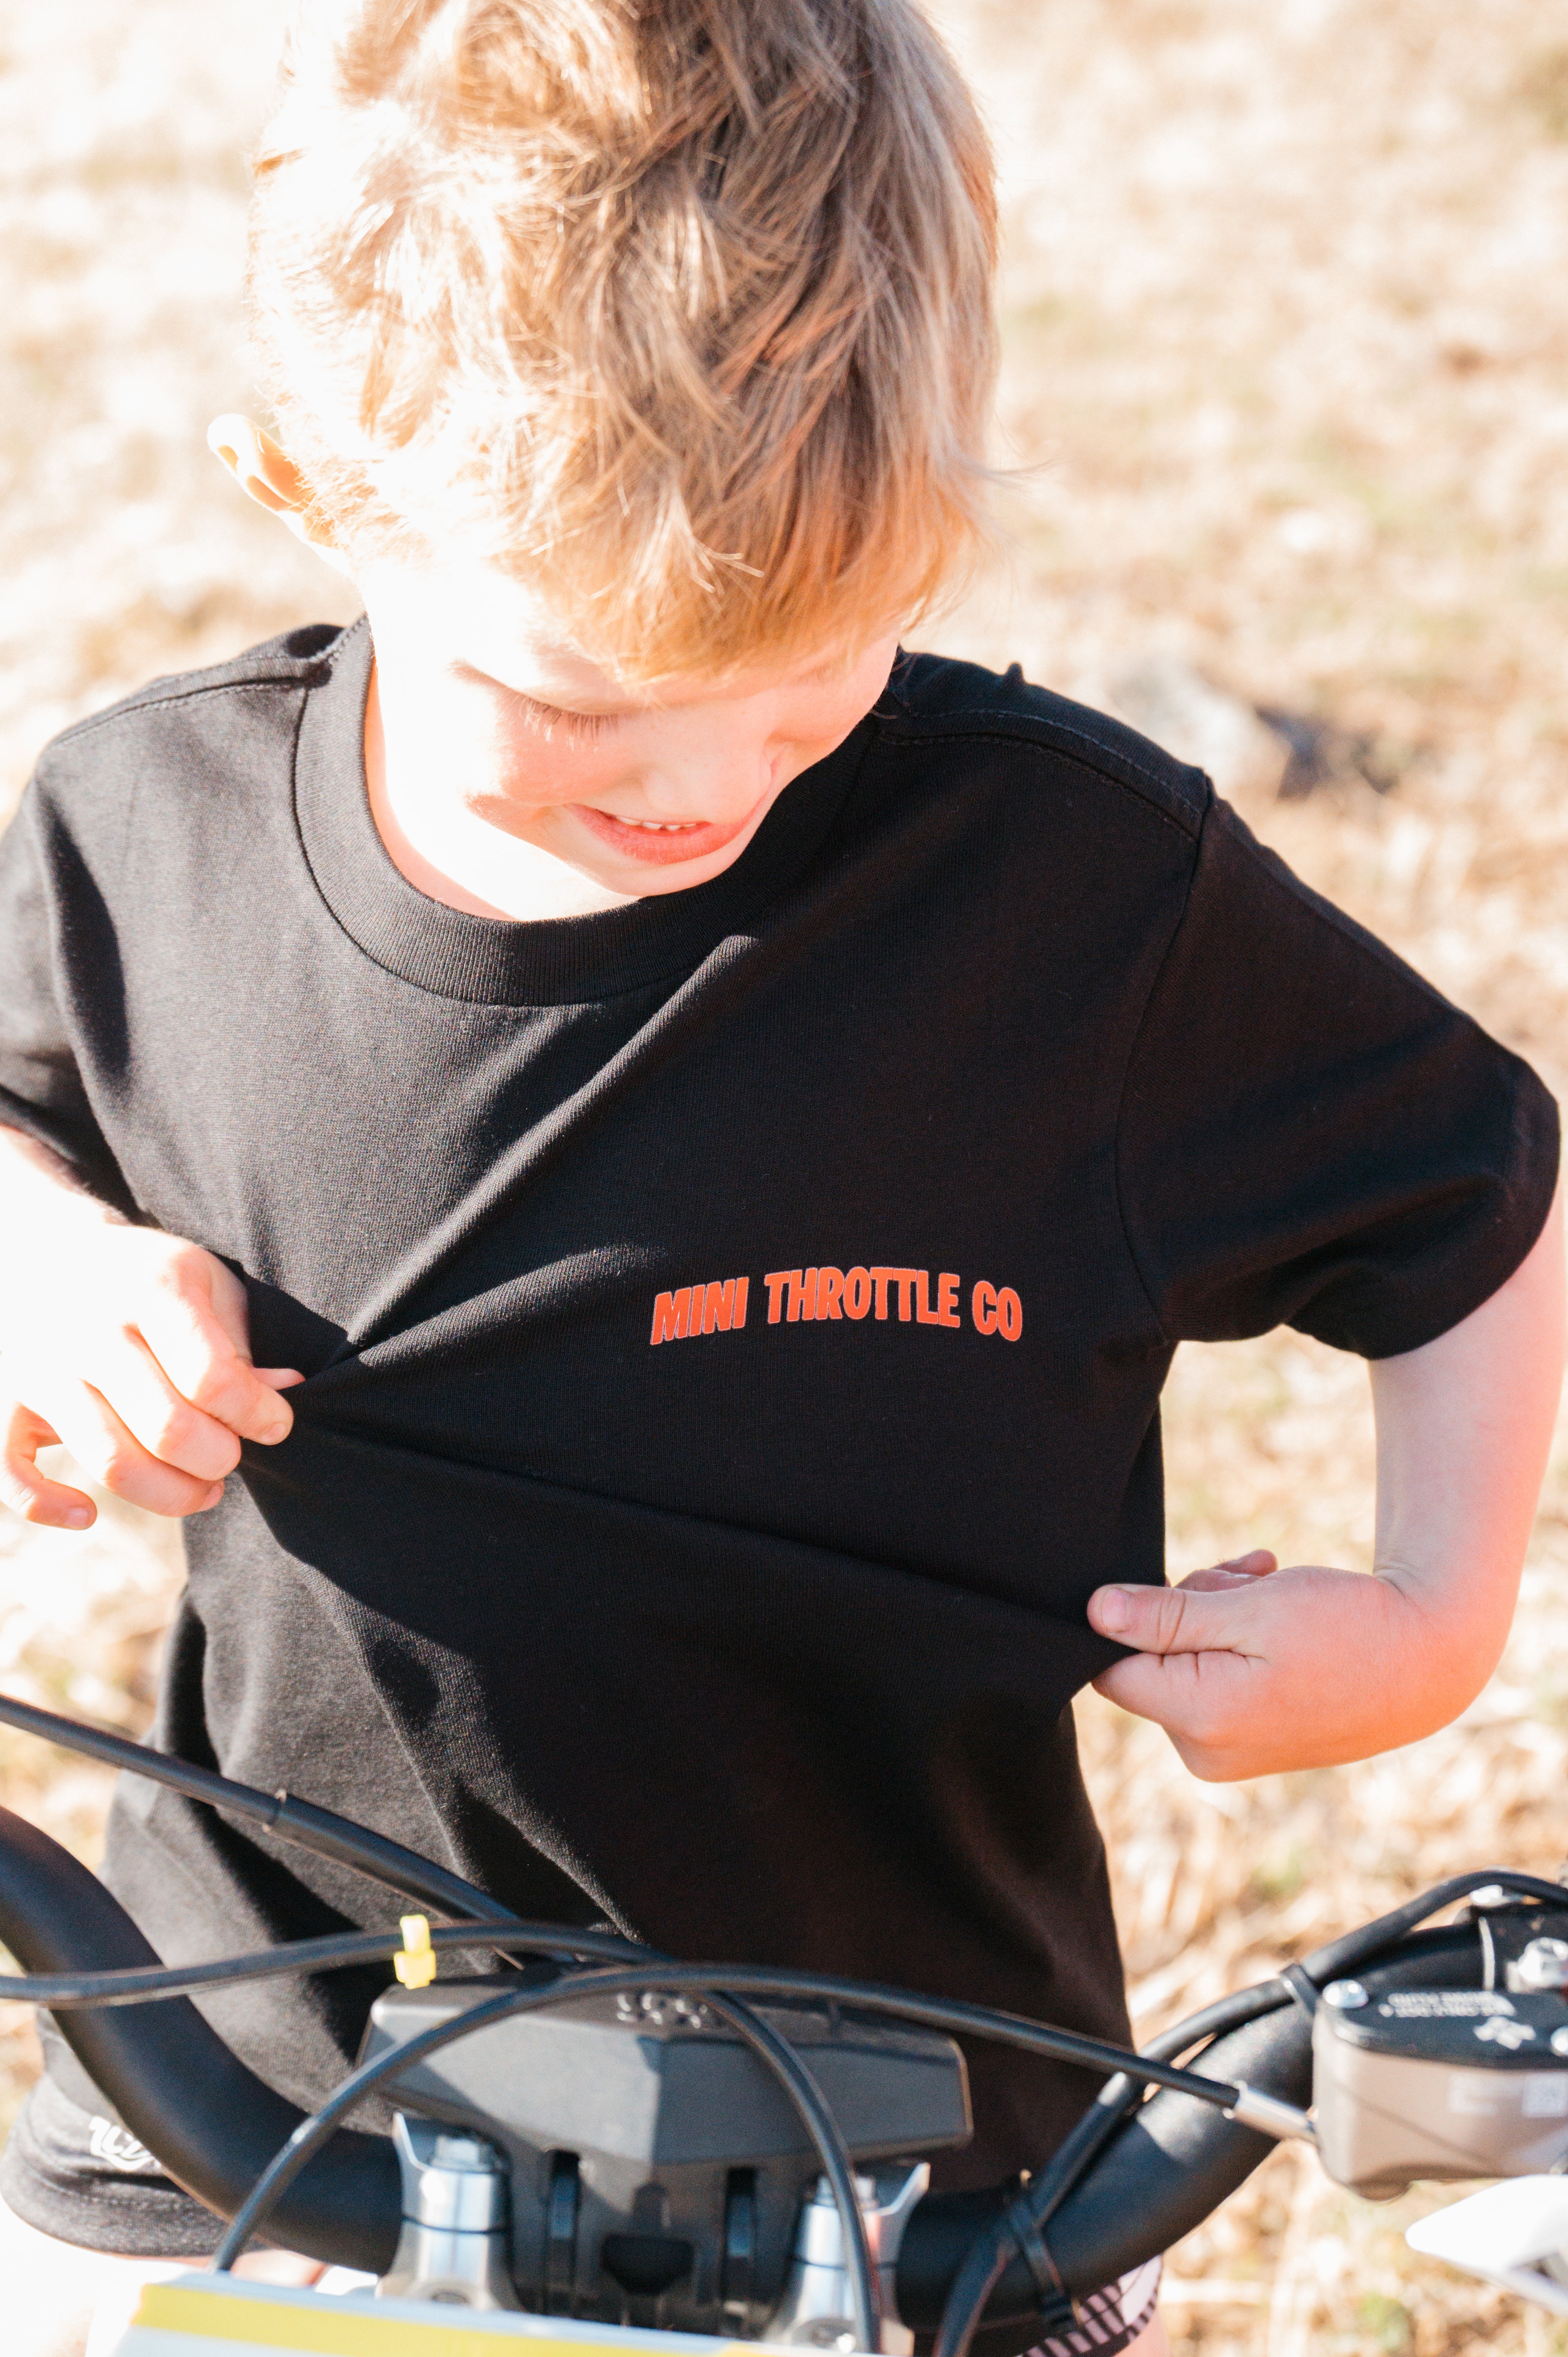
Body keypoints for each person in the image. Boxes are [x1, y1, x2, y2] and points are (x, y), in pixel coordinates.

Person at [0, 2, 1561, 2352]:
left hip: (925, 2178)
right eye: (577, 699)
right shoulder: (142, 839)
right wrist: (37, 1258)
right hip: (237, 2109)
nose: (693, 785)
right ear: (316, 488)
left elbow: (1474, 1199)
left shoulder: (1063, 890)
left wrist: (1431, 1618)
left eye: (810, 678)